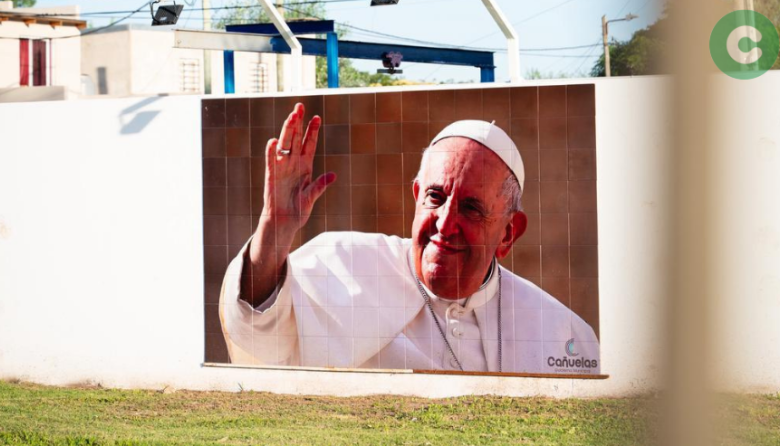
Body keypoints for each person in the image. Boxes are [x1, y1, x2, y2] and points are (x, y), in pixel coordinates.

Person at [218, 103, 600, 374]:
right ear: (417, 195)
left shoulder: (563, 334)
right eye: (436, 197)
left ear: (508, 233)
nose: (445, 223)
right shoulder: (343, 264)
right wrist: (273, 231)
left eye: (471, 208)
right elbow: (259, 339)